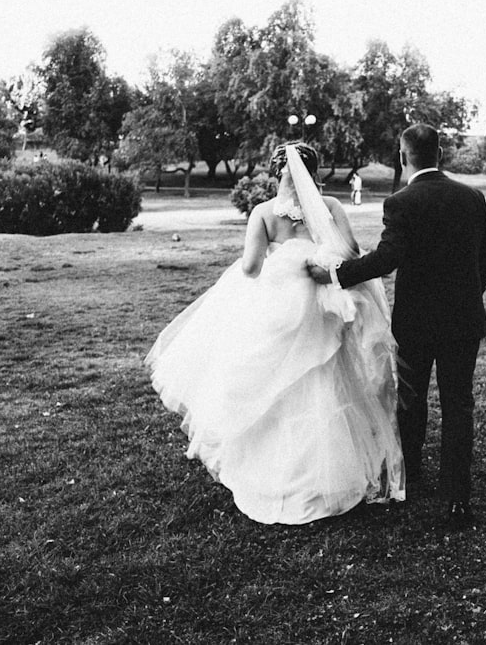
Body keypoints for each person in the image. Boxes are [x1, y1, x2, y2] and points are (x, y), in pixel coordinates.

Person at [146, 142, 405, 525]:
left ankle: (273, 476)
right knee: (324, 379)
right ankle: (325, 477)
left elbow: (251, 268)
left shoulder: (263, 213)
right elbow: (350, 251)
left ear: (275, 172)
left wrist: (276, 259)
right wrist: (318, 257)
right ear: (313, 173)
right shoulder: (329, 206)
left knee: (274, 381)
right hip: (320, 304)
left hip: (278, 306)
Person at [308, 124, 486, 529]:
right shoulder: (472, 196)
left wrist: (337, 275)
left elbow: (387, 258)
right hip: (464, 321)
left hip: (416, 322)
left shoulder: (401, 202)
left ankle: (410, 475)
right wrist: (468, 296)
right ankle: (457, 499)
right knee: (459, 404)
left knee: (410, 400)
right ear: (440, 154)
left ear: (403, 155)